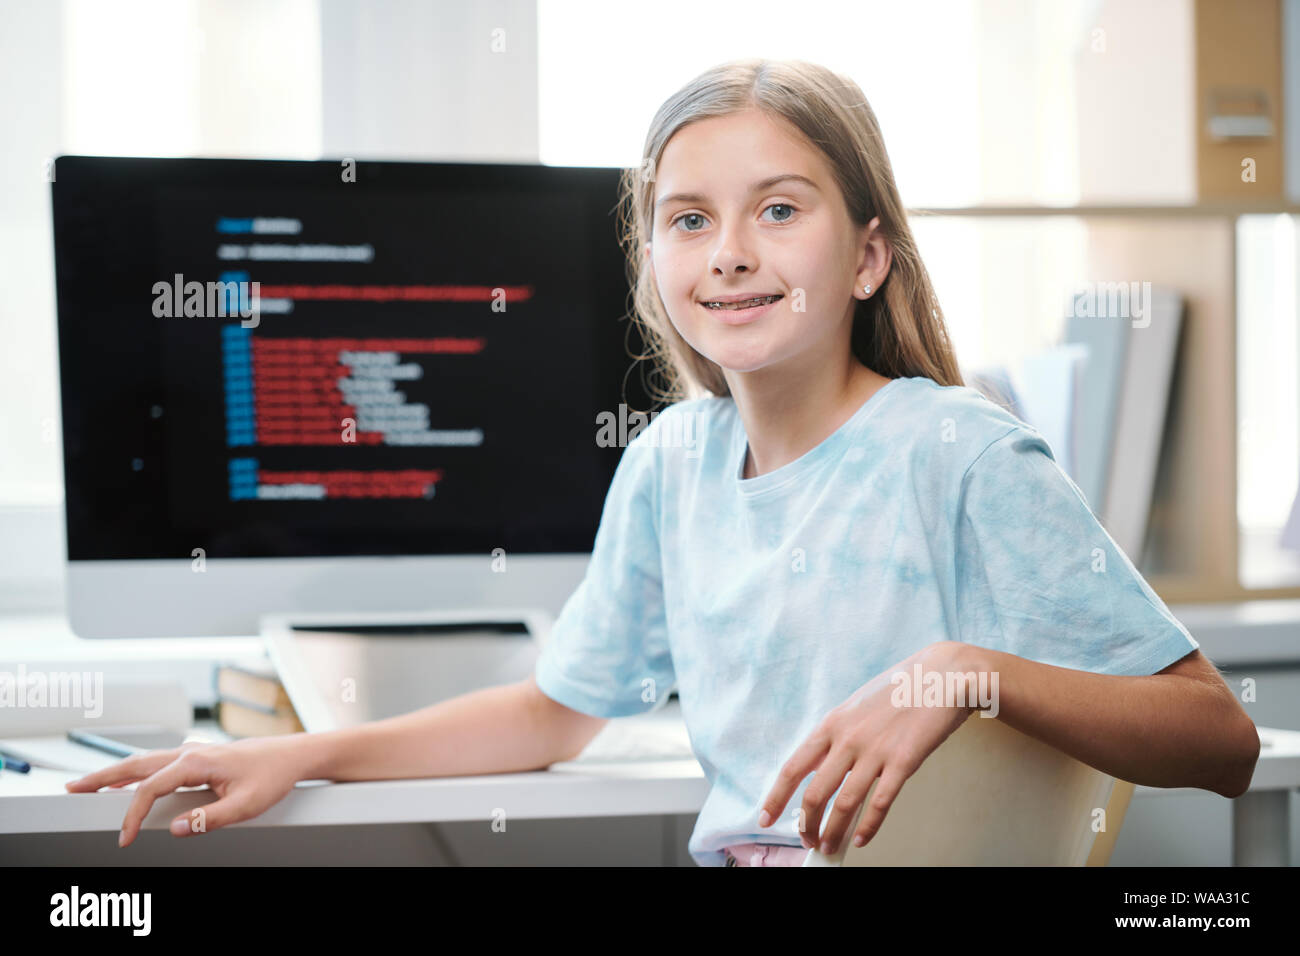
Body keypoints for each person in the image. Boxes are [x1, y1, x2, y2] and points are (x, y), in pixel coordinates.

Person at [67, 58, 1259, 867]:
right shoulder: (671, 463)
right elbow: (551, 711)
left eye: (779, 209)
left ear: (868, 256)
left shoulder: (955, 451)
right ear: (651, 264)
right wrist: (300, 750)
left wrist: (958, 673)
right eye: (689, 218)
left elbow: (1217, 735)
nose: (730, 253)